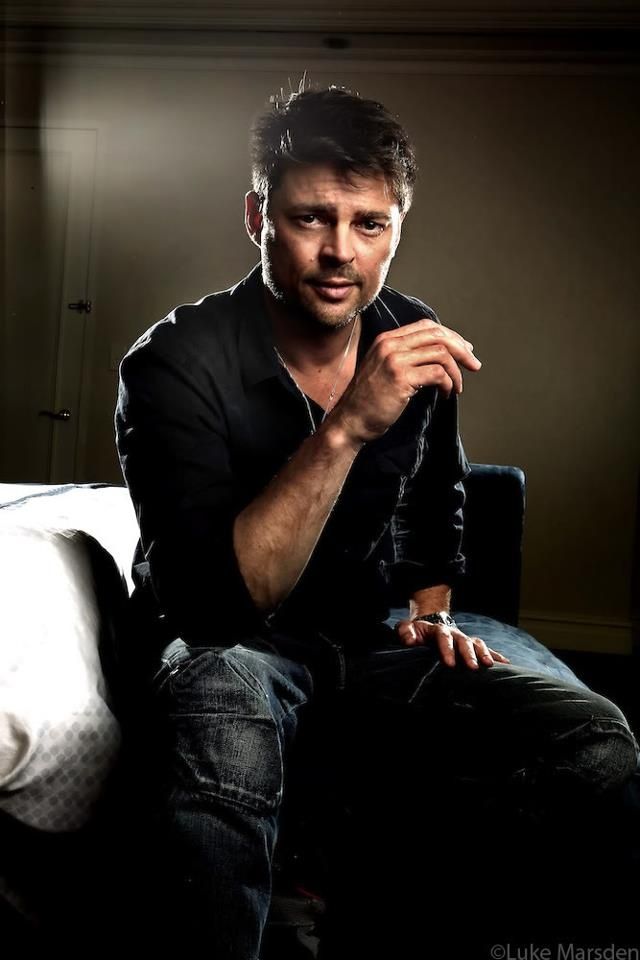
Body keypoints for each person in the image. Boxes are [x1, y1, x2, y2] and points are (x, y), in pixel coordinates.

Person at [114, 86, 639, 957]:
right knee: (223, 701)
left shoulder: (409, 332)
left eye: (369, 224)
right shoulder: (173, 361)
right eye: (309, 218)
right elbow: (219, 606)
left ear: (397, 227)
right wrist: (348, 424)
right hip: (227, 644)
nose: (339, 253)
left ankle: (340, 873)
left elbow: (439, 501)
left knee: (597, 740)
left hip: (363, 645)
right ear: (257, 217)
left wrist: (431, 613)